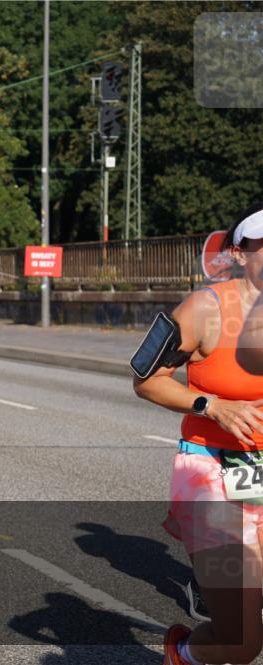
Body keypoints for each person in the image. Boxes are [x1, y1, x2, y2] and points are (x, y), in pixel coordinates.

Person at [134, 202, 263, 665]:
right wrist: (213, 406)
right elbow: (146, 379)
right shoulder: (204, 308)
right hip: (212, 472)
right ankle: (183, 653)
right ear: (239, 254)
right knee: (243, 643)